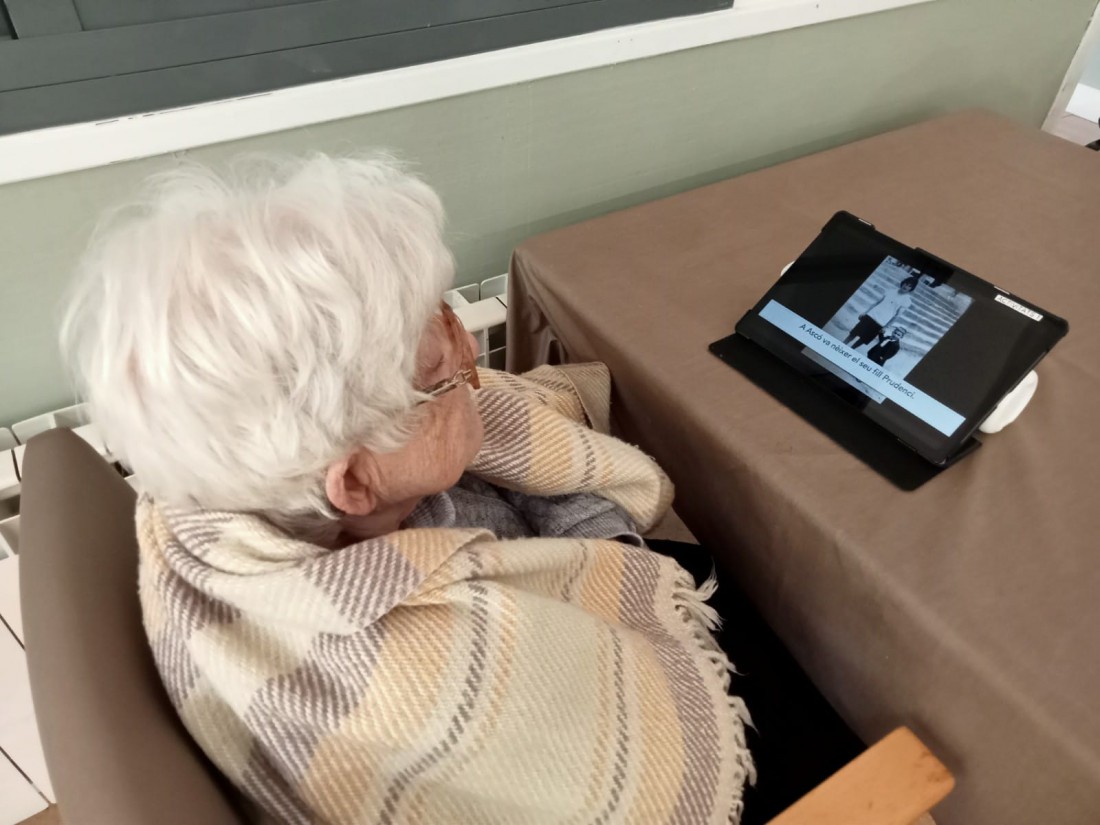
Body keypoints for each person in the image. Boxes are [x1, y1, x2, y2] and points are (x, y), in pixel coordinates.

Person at [59, 155, 757, 824]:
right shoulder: (403, 677)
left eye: (446, 319)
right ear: (355, 481)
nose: (470, 356)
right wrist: (615, 551)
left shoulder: (259, 476)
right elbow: (627, 742)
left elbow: (518, 453)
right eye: (446, 373)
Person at [843, 278, 917, 348]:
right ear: (903, 283)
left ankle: (851, 350)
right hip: (870, 316)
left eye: (909, 286)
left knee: (862, 340)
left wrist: (886, 327)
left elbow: (897, 316)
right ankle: (842, 345)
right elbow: (877, 302)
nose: (906, 286)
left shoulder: (907, 301)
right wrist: (865, 312)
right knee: (853, 334)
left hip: (881, 323)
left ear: (911, 289)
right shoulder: (891, 291)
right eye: (906, 284)